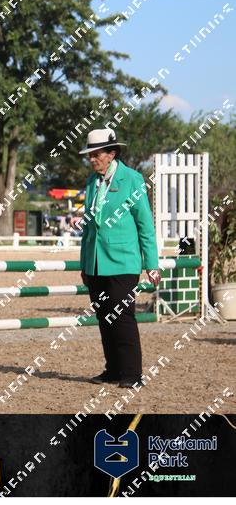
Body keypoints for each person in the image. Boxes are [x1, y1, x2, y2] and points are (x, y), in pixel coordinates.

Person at [78, 129, 161, 388]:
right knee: (104, 317)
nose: (92, 159)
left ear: (112, 154)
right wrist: (84, 264)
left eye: (96, 154)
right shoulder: (92, 182)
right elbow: (89, 226)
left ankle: (132, 374)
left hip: (123, 262)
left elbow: (145, 224)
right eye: (90, 155)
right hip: (95, 263)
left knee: (122, 316)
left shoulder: (132, 179)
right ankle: (112, 369)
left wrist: (152, 264)